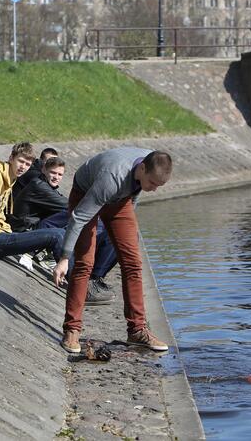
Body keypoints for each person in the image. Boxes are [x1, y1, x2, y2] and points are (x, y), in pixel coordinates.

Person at [53, 148, 173, 354]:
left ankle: (137, 330)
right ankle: (72, 329)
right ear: (142, 168)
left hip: (119, 201)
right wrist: (64, 258)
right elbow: (79, 217)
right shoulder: (113, 177)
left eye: (158, 185)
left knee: (133, 263)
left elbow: (134, 193)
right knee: (84, 264)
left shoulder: (148, 167)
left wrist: (122, 227)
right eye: (152, 183)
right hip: (86, 194)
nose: (153, 189)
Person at [10, 156, 118, 305]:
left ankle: (93, 278)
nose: (56, 177)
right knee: (75, 220)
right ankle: (82, 286)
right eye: (53, 173)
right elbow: (73, 208)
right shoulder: (39, 186)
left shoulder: (48, 187)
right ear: (43, 170)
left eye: (60, 174)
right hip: (27, 232)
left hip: (41, 228)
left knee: (108, 232)